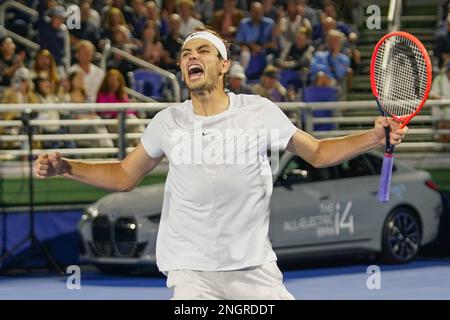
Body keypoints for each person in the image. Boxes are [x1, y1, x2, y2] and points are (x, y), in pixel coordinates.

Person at [35, 28, 408, 300]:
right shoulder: (167, 122)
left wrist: (374, 138)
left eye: (203, 51)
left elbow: (317, 153)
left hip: (252, 269)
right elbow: (122, 176)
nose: (191, 57)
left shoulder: (258, 111)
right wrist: (66, 165)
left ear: (224, 64)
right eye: (185, 54)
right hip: (192, 272)